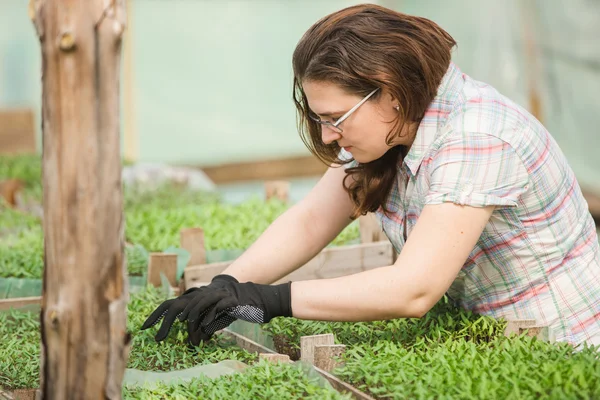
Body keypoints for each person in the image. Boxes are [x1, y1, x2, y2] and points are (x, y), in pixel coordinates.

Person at [141, 4, 600, 350]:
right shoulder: (395, 128)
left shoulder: (477, 138)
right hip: (481, 335)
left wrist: (269, 300)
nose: (327, 133)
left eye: (337, 116)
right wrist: (225, 284)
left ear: (391, 92)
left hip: (562, 344)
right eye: (319, 116)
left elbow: (412, 289)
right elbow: (310, 220)